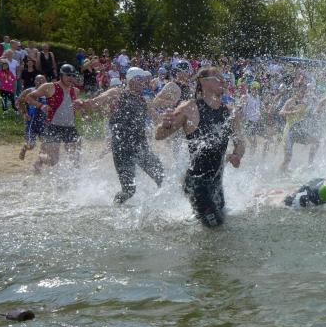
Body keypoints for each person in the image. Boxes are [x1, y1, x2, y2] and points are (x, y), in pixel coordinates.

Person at [155, 66, 246, 227]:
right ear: (203, 82)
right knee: (215, 225)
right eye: (217, 77)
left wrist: (237, 155)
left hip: (216, 184)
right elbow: (159, 135)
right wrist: (165, 125)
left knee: (220, 221)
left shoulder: (230, 112)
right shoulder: (189, 108)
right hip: (196, 183)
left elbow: (240, 142)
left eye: (223, 78)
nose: (223, 81)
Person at [77, 67, 164, 204]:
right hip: (121, 148)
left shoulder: (145, 100)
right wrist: (82, 103)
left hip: (140, 146)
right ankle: (115, 206)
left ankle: (162, 205)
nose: (143, 82)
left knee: (162, 176)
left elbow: (158, 120)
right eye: (139, 79)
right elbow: (95, 103)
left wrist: (171, 121)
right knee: (129, 190)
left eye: (144, 80)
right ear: (130, 80)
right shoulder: (117, 93)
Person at [24, 64, 84, 173]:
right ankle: (40, 159)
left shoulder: (75, 91)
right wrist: (41, 106)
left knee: (75, 157)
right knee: (53, 161)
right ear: (61, 75)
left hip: (70, 127)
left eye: (73, 75)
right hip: (53, 126)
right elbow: (28, 97)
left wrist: (84, 113)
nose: (71, 78)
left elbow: (75, 107)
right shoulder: (49, 87)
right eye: (68, 75)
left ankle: (75, 179)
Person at [279, 83, 319, 172]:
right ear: (297, 92)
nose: (303, 93)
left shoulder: (305, 103)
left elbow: (309, 114)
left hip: (298, 131)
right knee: (288, 158)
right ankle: (280, 173)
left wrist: (315, 114)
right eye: (301, 91)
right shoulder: (290, 101)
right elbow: (281, 112)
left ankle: (310, 164)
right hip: (289, 132)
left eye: (304, 92)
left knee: (316, 142)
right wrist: (291, 112)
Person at [15, 75, 47, 160]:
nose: (41, 83)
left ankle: (40, 161)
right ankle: (25, 148)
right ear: (35, 82)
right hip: (31, 121)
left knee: (46, 142)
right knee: (31, 145)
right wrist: (24, 113)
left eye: (43, 81)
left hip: (44, 122)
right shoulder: (29, 91)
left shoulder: (48, 93)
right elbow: (18, 102)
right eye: (39, 81)